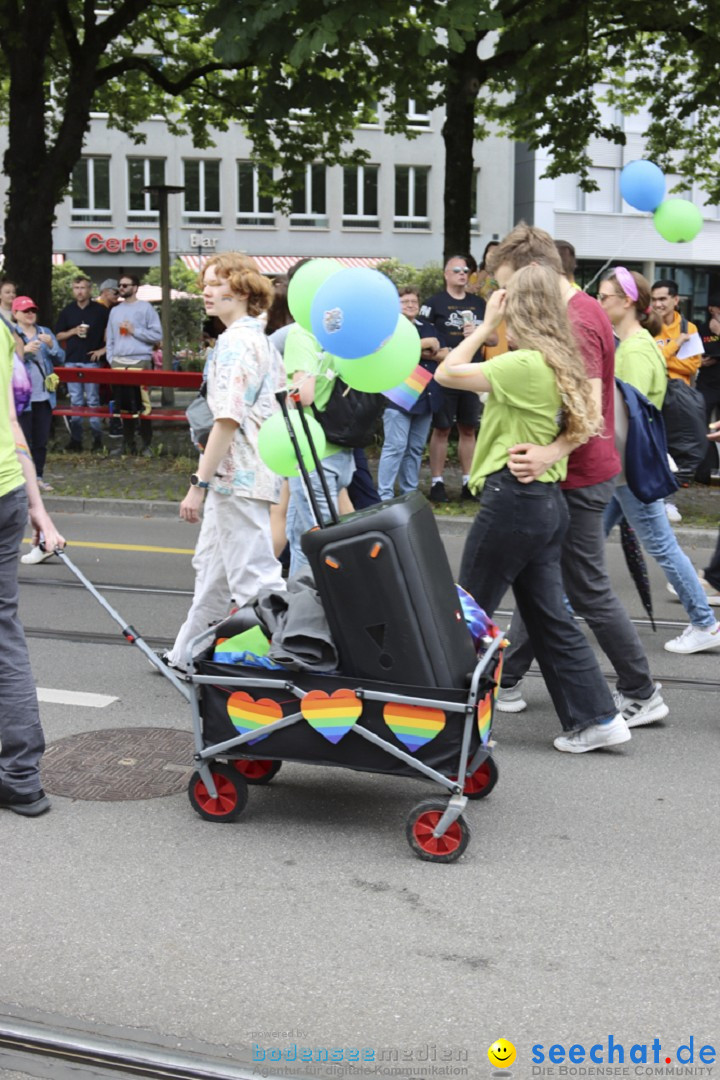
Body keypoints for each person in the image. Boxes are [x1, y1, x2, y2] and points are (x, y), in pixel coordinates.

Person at [436, 264, 631, 754]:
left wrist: (483, 326)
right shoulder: (559, 357)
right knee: (549, 618)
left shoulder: (523, 365)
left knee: (467, 612)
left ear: (518, 308)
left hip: (513, 501)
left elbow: (445, 372)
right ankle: (597, 717)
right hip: (544, 503)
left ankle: (451, 726)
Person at [485, 226, 665, 729]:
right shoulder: (577, 311)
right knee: (540, 579)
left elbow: (587, 407)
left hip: (581, 476)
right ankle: (511, 677)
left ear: (533, 273)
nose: (508, 297)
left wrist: (549, 452)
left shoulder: (579, 319)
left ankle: (640, 689)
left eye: (509, 283)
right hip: (576, 473)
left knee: (584, 588)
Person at [165, 253, 286, 671]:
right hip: (247, 471)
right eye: (206, 283)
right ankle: (185, 655)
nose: (206, 291)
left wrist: (197, 484)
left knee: (255, 578)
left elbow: (227, 419)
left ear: (242, 289)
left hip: (236, 473)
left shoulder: (237, 343)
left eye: (216, 283)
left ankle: (289, 659)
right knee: (214, 571)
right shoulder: (258, 340)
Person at [599, 268, 720, 655]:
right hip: (625, 469)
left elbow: (624, 418)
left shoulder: (634, 349)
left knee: (662, 547)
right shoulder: (640, 343)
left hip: (628, 470)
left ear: (629, 301)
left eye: (605, 297)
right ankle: (559, 614)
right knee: (580, 545)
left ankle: (704, 623)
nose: (600, 303)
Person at [0, 317, 65, 815]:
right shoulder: (2, 329)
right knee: (5, 635)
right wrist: (37, 505)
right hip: (8, 492)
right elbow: (11, 419)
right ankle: (21, 776)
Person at [419, 255, 486, 503]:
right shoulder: (434, 303)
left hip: (472, 373)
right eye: (456, 269)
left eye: (465, 270)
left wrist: (479, 333)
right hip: (445, 373)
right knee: (442, 427)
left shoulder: (479, 304)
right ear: (446, 274)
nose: (462, 273)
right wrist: (437, 354)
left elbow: (492, 340)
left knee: (469, 428)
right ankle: (437, 482)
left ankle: (469, 482)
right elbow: (421, 337)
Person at [377, 286, 443, 501]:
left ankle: (410, 495)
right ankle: (384, 496)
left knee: (415, 449)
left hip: (426, 394)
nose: (410, 305)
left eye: (414, 301)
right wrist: (423, 347)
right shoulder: (390, 326)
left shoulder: (427, 326)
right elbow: (391, 352)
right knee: (395, 448)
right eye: (405, 301)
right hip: (398, 395)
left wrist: (420, 351)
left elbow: (442, 353)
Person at [12, 296, 63, 496]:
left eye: (33, 310)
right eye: (25, 311)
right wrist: (23, 351)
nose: (30, 314)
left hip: (44, 396)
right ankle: (22, 480)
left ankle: (38, 477)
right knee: (23, 441)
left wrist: (52, 345)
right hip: (21, 398)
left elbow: (61, 358)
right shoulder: (11, 333)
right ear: (15, 314)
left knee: (41, 441)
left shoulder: (44, 332)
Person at [106, 274, 162, 456]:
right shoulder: (115, 310)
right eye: (119, 285)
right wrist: (111, 358)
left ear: (135, 287)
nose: (121, 288)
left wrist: (134, 331)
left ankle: (146, 444)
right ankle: (127, 443)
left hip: (140, 360)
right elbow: (111, 337)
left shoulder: (146, 309)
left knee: (144, 405)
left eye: (125, 285)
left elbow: (156, 336)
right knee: (123, 406)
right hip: (119, 362)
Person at [55, 275, 109, 452]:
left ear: (90, 289)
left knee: (93, 401)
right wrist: (72, 331)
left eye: (83, 288)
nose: (79, 291)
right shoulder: (67, 311)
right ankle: (76, 440)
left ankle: (97, 440)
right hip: (71, 361)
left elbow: (111, 332)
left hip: (92, 361)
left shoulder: (100, 311)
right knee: (76, 402)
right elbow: (58, 335)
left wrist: (104, 350)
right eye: (76, 288)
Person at [651, 279, 702, 384]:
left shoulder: (689, 328)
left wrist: (661, 359)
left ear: (675, 300)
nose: (657, 304)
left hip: (679, 395)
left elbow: (693, 367)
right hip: (653, 392)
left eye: (662, 299)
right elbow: (647, 362)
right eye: (654, 300)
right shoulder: (647, 327)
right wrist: (675, 344)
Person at [694, 296, 720, 484]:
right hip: (707, 384)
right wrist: (699, 362)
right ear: (712, 309)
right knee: (702, 427)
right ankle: (703, 473)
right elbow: (692, 355)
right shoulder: (700, 329)